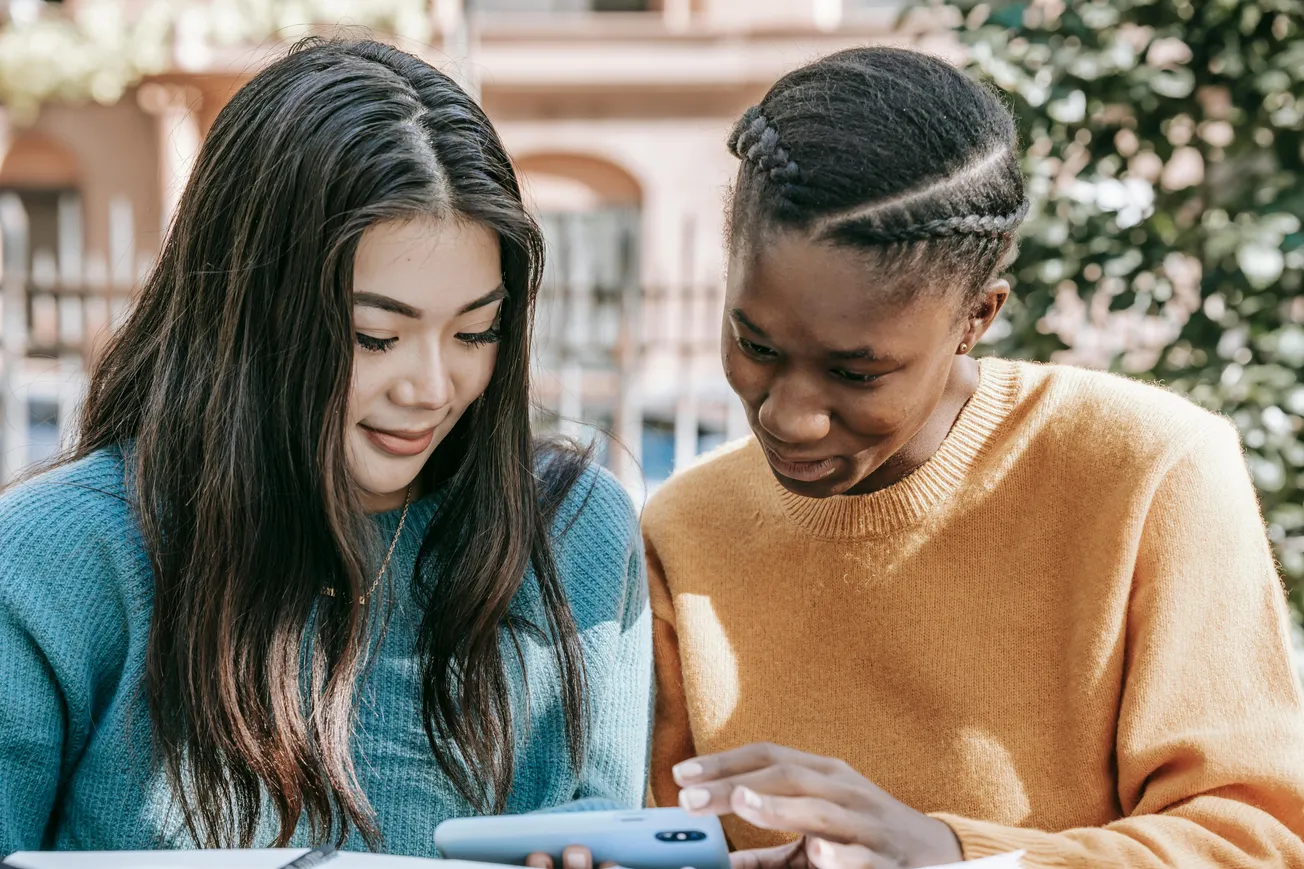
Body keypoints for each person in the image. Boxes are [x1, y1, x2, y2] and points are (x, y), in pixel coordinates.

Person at [643, 47, 1304, 868]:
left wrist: (948, 852)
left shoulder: (1149, 470)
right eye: (755, 343)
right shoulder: (685, 528)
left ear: (977, 316)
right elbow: (664, 837)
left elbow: (1254, 838)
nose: (790, 415)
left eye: (857, 371)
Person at [0, 39, 651, 857]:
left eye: (476, 330)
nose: (430, 386)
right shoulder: (54, 559)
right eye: (375, 335)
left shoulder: (577, 538)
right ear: (248, 314)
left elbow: (611, 818)